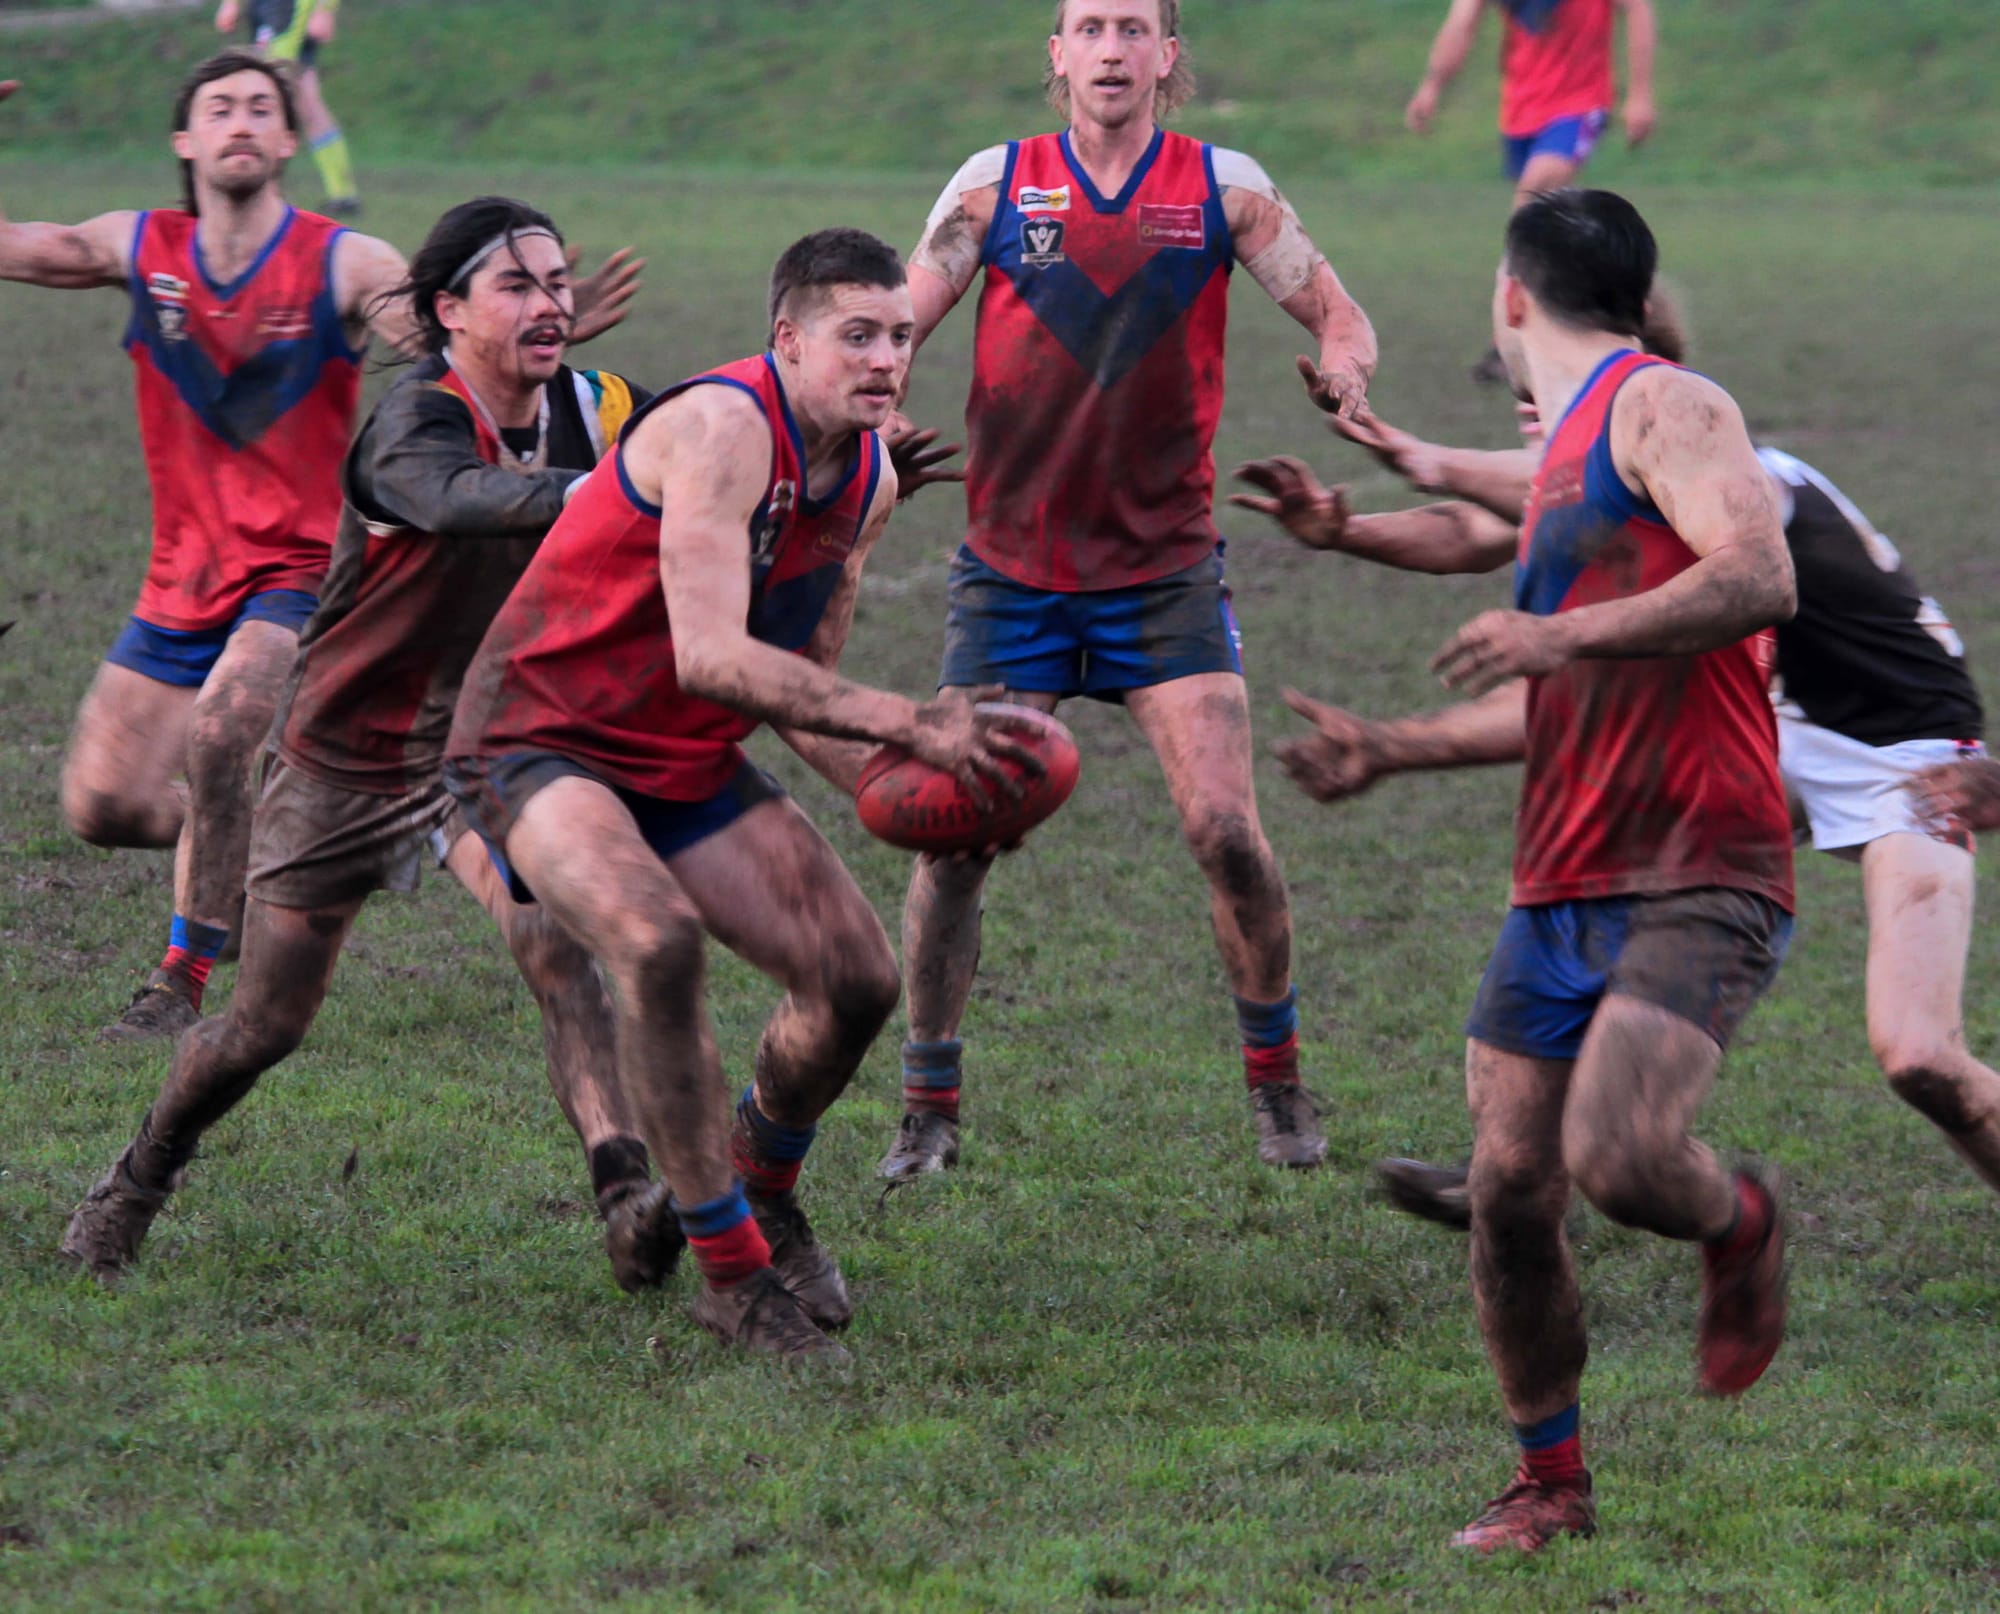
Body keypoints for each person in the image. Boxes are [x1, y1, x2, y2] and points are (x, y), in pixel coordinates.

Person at [1242, 190, 1796, 1551]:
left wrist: (1565, 640)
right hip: (1556, 877)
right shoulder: (1566, 445)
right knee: (1507, 1189)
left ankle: (1741, 1219)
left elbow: (1763, 572)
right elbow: (1488, 520)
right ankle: (1552, 1478)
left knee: (1617, 1156)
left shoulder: (1670, 407)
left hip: (1700, 862)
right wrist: (1358, 532)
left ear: (1509, 297)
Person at [1239, 299, 2000, 1224]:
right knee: (1605, 852)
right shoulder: (1606, 490)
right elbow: (1473, 535)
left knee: (1920, 1056)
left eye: (1538, 397)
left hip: (1911, 755)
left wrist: (1412, 453)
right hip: (1778, 730)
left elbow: (1482, 511)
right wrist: (1346, 531)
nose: (1531, 417)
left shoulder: (1739, 473)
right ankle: (1515, 1161)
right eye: (1521, 402)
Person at [443, 229, 1044, 1360]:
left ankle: (760, 1185)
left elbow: (797, 687)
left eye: (900, 338)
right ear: (787, 340)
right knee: (658, 942)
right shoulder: (721, 429)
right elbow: (711, 659)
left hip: (682, 754)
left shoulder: (862, 475)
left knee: (857, 978)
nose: (883, 361)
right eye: (854, 337)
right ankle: (728, 1277)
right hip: (539, 737)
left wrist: (925, 790)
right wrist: (914, 721)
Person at [60, 199, 675, 1293]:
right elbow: (449, 498)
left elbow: (704, 426)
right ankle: (139, 1177)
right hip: (345, 759)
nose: (551, 303)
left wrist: (819, 443)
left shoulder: (598, 405)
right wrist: (610, 493)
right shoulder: (413, 423)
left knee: (560, 952)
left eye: (556, 282)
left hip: (483, 753)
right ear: (448, 314)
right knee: (265, 1025)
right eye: (517, 285)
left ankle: (624, 1192)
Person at [0, 54, 634, 1044]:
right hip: (178, 579)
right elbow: (14, 246)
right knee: (101, 806)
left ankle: (180, 982)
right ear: (186, 141)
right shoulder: (139, 244)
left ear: (292, 139)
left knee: (222, 734)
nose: (242, 120)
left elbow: (415, 314)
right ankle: (284, 838)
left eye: (264, 106)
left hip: (301, 574)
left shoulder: (342, 259)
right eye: (220, 108)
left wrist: (520, 326)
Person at [882, 0, 1380, 1182]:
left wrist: (1346, 368)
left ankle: (1277, 1089)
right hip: (1012, 579)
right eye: (1086, 27)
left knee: (1227, 836)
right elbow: (899, 315)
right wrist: (878, 395)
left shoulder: (1223, 187)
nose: (1109, 48)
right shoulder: (996, 185)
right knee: (955, 848)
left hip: (1162, 578)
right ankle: (926, 1106)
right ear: (1054, 54)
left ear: (1166, 55)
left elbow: (1333, 309)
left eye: (1132, 28)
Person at [1405, 0, 1655, 380]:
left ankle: (1508, 338)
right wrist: (1431, 86)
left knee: (1531, 202)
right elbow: (1462, 21)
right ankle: (1590, 321)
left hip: (1579, 104)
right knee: (1557, 223)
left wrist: (1640, 93)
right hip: (1522, 110)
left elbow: (1637, 8)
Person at [217, 0, 359, 216]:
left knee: (271, 92)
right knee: (304, 100)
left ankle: (264, 191)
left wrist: (324, 9)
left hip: (289, 7)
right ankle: (342, 193)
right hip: (264, 6)